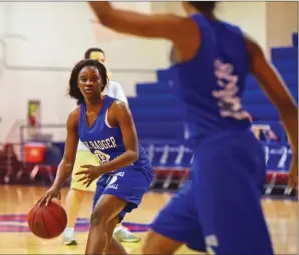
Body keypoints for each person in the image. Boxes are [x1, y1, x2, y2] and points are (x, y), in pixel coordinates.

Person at [89, 1, 298, 255]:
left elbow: (108, 16)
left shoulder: (183, 28)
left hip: (221, 158)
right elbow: (288, 106)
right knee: (156, 245)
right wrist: (296, 153)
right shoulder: (245, 42)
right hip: (233, 151)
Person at [39, 59, 154, 255]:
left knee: (98, 217)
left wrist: (100, 169)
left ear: (103, 83)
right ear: (77, 84)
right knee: (105, 236)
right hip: (109, 173)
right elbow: (67, 160)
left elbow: (132, 153)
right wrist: (56, 185)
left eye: (94, 79)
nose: (88, 83)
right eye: (83, 79)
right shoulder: (75, 117)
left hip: (134, 168)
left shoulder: (117, 108)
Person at [64, 47, 141, 245]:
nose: (102, 61)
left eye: (103, 59)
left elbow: (122, 112)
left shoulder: (113, 86)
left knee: (114, 191)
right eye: (97, 59)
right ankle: (69, 230)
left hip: (111, 147)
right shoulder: (82, 87)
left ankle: (116, 227)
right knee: (78, 188)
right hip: (87, 146)